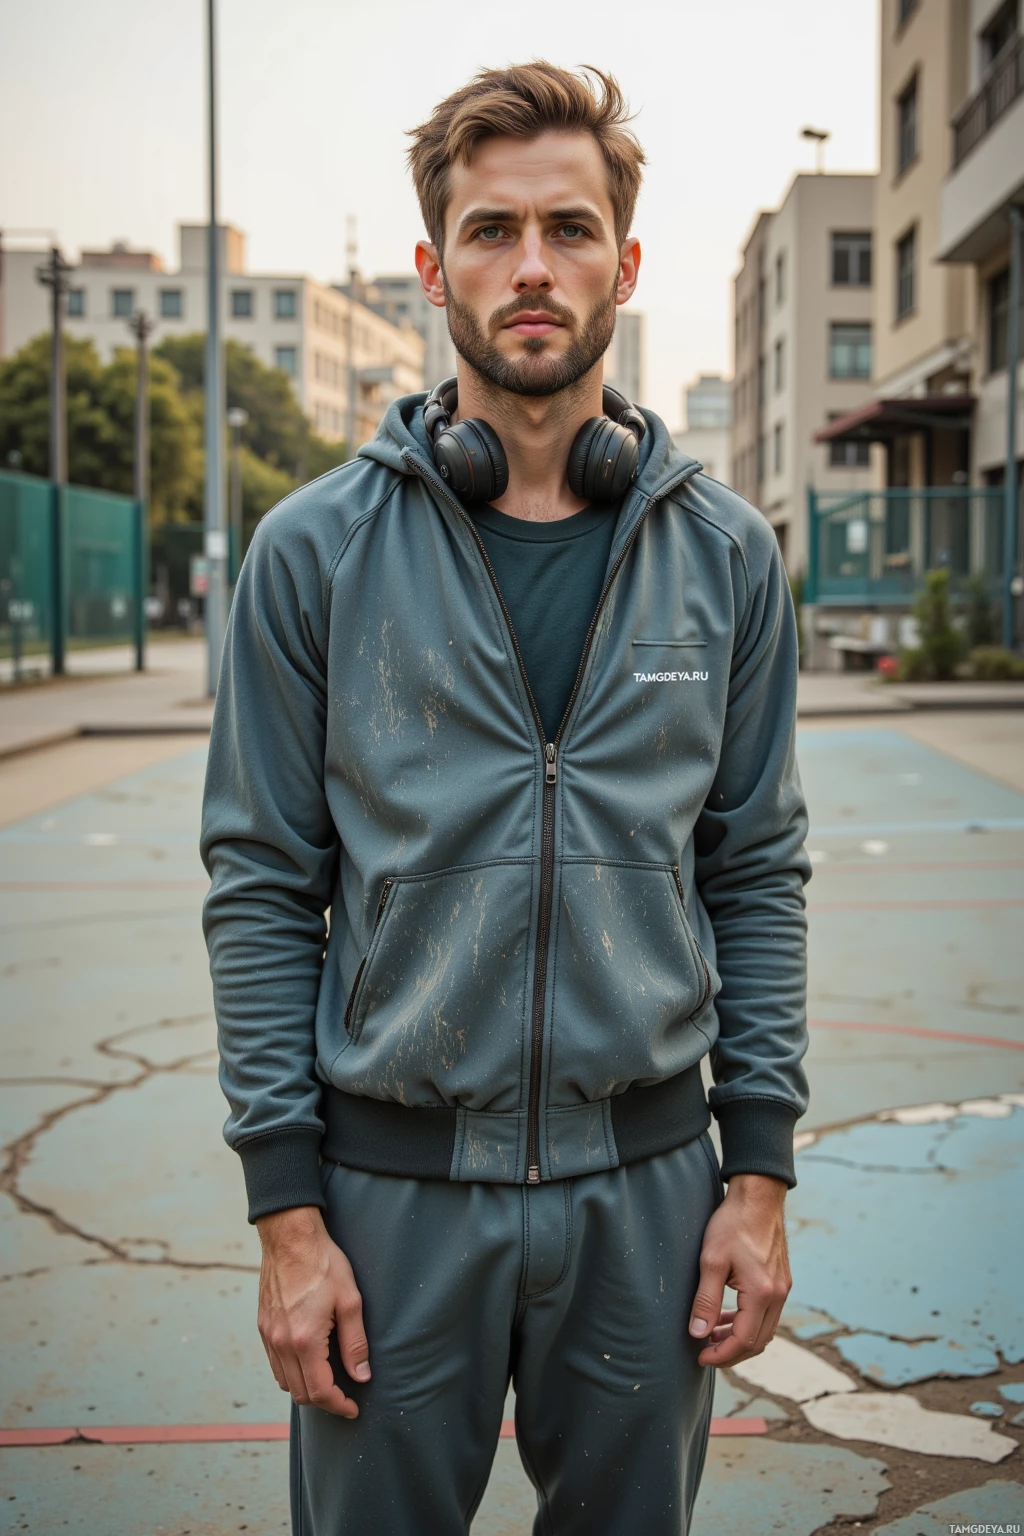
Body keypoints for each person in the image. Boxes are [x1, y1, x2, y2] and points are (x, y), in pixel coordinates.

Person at [200, 60, 811, 1536]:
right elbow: (262, 887)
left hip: (648, 1191)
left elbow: (756, 872)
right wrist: (288, 1216)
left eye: (568, 228)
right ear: (434, 270)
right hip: (389, 1199)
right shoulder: (314, 551)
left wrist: (758, 1177)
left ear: (624, 264)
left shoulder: (727, 555)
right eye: (491, 230)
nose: (531, 266)